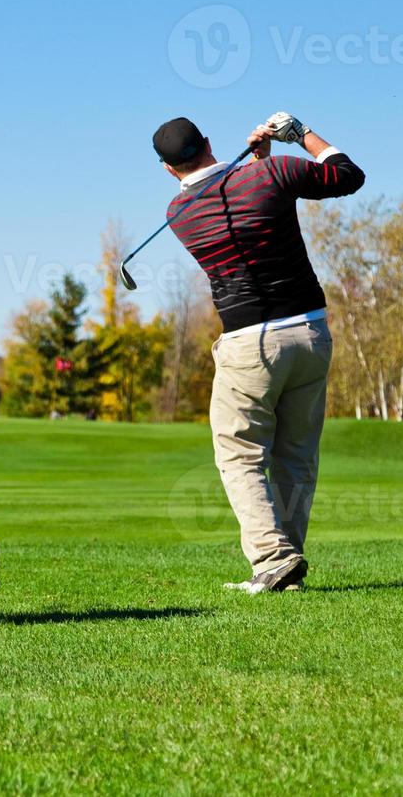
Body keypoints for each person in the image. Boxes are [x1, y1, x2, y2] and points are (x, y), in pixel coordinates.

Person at [152, 113, 365, 593]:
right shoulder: (272, 173)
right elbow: (348, 175)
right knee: (296, 456)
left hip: (249, 343)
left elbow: (238, 200)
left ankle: (273, 559)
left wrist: (257, 165)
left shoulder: (177, 214)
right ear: (208, 142)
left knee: (240, 454)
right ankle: (284, 565)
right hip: (310, 333)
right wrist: (299, 134)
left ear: (168, 169)